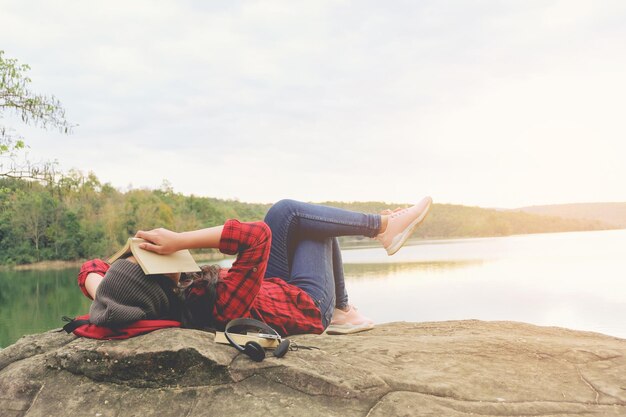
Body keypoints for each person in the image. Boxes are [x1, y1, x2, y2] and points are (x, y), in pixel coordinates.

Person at [77, 197, 432, 336]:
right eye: (149, 264)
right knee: (304, 223)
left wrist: (108, 276)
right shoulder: (215, 301)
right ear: (163, 286)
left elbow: (90, 269)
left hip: (269, 290)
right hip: (305, 305)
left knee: (283, 212)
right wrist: (180, 239)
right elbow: (256, 236)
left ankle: (378, 235)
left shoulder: (129, 297)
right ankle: (377, 237)